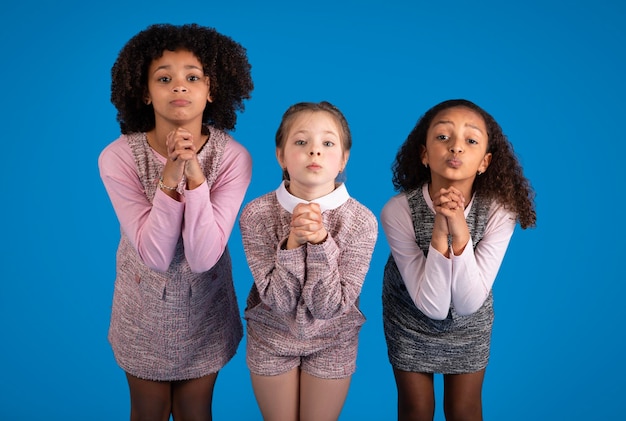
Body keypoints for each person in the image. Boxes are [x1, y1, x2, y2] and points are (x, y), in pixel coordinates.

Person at [98, 23, 253, 421]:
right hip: (143, 310)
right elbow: (155, 253)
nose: (179, 87)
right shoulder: (118, 158)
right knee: (147, 411)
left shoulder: (234, 158)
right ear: (145, 93)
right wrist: (170, 177)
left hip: (205, 309)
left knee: (194, 411)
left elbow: (202, 257)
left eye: (192, 77)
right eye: (164, 78)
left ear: (212, 90)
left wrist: (196, 178)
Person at [381, 99, 536, 421]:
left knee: (464, 410)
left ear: (485, 161)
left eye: (471, 140)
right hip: (410, 317)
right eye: (442, 137)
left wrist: (460, 231)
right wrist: (440, 228)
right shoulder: (398, 210)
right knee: (416, 409)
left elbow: (467, 303)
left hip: (470, 320)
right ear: (424, 153)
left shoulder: (499, 211)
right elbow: (432, 306)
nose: (456, 147)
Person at [239, 101, 378, 421]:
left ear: (344, 158)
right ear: (281, 155)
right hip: (271, 337)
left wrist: (319, 243)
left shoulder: (361, 220)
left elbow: (331, 306)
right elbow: (279, 300)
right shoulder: (257, 214)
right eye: (301, 142)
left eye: (328, 143)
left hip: (334, 339)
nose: (314, 151)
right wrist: (291, 244)